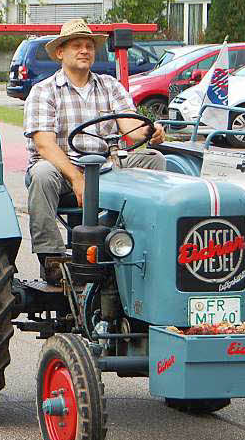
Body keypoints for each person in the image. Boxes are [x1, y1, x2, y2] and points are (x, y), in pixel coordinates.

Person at [24, 19, 165, 278]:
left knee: (153, 161)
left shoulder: (109, 85)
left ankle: (139, 244)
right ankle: (52, 257)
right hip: (63, 170)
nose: (84, 50)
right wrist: (77, 178)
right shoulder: (43, 91)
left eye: (89, 45)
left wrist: (150, 130)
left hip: (107, 167)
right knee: (41, 174)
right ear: (60, 53)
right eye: (76, 45)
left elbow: (130, 128)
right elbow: (44, 144)